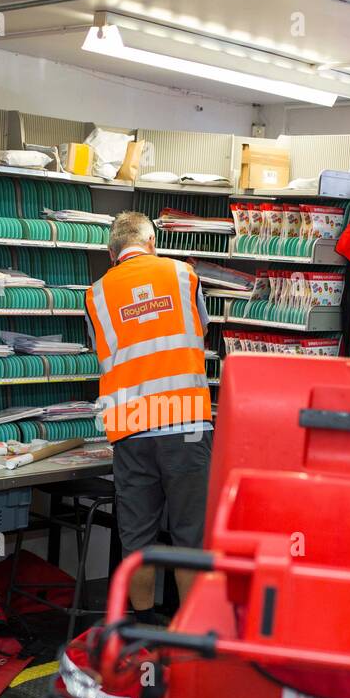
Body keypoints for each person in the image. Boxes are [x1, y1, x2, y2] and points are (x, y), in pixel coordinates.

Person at [84, 211, 213, 625]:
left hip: (132, 427)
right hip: (187, 424)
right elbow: (201, 329)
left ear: (112, 253)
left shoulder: (97, 294)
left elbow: (101, 352)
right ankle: (188, 636)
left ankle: (141, 631)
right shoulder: (182, 275)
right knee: (190, 537)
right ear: (152, 243)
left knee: (137, 539)